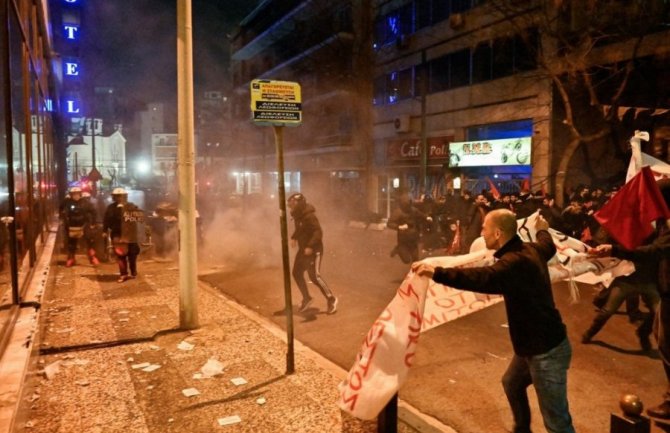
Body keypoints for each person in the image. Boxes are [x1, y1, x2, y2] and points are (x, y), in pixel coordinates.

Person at [412, 210, 575, 433]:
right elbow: (548, 244)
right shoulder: (532, 249)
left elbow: (482, 278)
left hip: (546, 351)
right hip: (530, 347)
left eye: (484, 229)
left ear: (497, 233)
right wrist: (543, 229)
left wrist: (437, 272)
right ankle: (521, 429)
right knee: (512, 383)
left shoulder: (513, 263)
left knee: (557, 422)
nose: (481, 233)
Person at [588, 179, 670, 419]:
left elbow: (655, 251)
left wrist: (615, 250)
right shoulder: (662, 225)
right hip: (661, 290)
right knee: (661, 337)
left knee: (666, 345)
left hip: (665, 292)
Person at [287, 192, 338, 314]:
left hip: (314, 250)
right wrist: (294, 237)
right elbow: (300, 229)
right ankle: (307, 298)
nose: (291, 207)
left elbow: (318, 232)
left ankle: (331, 299)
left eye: (292, 204)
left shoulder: (309, 216)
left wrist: (310, 246)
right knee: (296, 273)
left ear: (299, 203)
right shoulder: (298, 215)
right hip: (304, 249)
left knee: (314, 277)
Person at [103, 187, 142, 283]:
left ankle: (133, 272)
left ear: (125, 197)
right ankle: (123, 274)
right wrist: (104, 230)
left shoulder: (131, 206)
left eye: (121, 196)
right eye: (117, 196)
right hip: (117, 234)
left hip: (130, 235)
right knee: (121, 255)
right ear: (114, 197)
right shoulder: (111, 208)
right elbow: (106, 220)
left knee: (132, 255)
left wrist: (126, 211)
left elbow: (139, 218)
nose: (119, 198)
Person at [59, 186, 100, 267]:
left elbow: (94, 211)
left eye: (77, 193)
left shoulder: (85, 202)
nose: (76, 195)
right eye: (74, 194)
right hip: (72, 226)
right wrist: (63, 218)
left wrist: (93, 222)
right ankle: (71, 258)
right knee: (71, 243)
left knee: (90, 241)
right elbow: (61, 208)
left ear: (80, 194)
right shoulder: (67, 202)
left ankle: (92, 257)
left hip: (84, 225)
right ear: (71, 195)